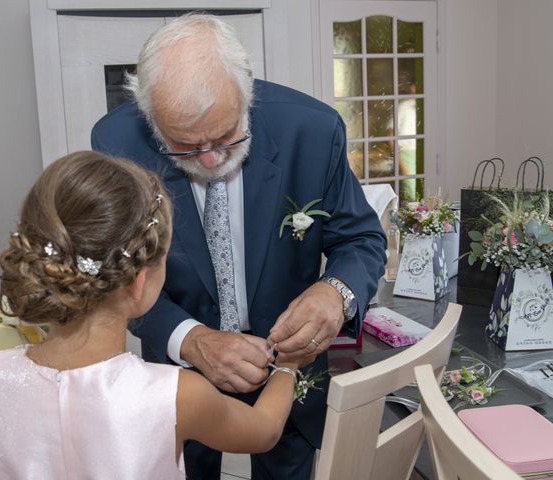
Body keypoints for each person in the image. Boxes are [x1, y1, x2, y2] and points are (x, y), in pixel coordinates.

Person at [91, 13, 387, 480]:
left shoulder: (311, 131)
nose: (209, 159)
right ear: (150, 118)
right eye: (183, 146)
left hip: (292, 362)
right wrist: (189, 339)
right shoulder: (116, 142)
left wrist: (335, 292)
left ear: (246, 91)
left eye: (226, 137)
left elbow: (362, 239)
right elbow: (119, 272)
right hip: (178, 369)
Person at [0, 151, 309, 479]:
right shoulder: (175, 394)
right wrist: (288, 364)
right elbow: (262, 431)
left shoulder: (1, 375)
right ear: (139, 282)